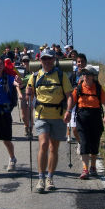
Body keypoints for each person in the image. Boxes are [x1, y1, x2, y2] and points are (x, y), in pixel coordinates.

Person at [26, 49, 73, 193]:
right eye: (44, 59)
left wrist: (69, 111)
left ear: (53, 60)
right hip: (41, 115)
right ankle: (40, 178)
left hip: (58, 115)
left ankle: (50, 177)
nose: (46, 61)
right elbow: (28, 92)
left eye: (49, 59)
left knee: (54, 148)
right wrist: (27, 94)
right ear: (40, 60)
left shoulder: (61, 75)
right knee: (44, 144)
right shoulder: (35, 76)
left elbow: (69, 96)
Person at [64, 65, 105, 179]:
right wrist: (68, 112)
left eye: (88, 74)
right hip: (82, 119)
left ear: (93, 77)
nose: (85, 76)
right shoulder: (78, 89)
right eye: (84, 74)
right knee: (84, 143)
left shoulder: (99, 89)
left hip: (95, 118)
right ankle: (85, 169)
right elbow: (72, 102)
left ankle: (93, 167)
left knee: (94, 143)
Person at [67, 53, 87, 148]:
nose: (80, 63)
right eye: (78, 62)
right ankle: (80, 142)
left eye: (82, 62)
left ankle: (84, 144)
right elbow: (68, 87)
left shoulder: (89, 74)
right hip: (75, 103)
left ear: (85, 63)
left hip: (85, 103)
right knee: (74, 129)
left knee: (85, 127)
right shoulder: (73, 74)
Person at [19, 55, 33, 136]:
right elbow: (17, 84)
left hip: (31, 94)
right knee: (24, 115)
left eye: (27, 61)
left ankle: (30, 129)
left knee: (30, 112)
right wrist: (20, 93)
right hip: (23, 94)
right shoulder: (20, 71)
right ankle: (26, 126)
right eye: (24, 61)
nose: (25, 63)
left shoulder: (33, 70)